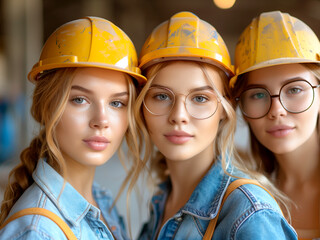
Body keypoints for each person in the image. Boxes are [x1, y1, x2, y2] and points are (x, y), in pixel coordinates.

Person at [133, 11, 297, 239]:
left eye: (200, 98)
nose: (179, 116)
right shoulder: (162, 199)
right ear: (141, 104)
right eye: (161, 96)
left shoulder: (250, 213)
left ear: (225, 107)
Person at [0, 16, 146, 239]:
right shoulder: (37, 232)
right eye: (80, 99)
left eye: (117, 103)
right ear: (46, 106)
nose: (101, 119)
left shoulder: (100, 201)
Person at [230, 11, 320, 240]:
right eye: (258, 95)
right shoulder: (241, 197)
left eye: (294, 89)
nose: (276, 110)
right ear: (243, 109)